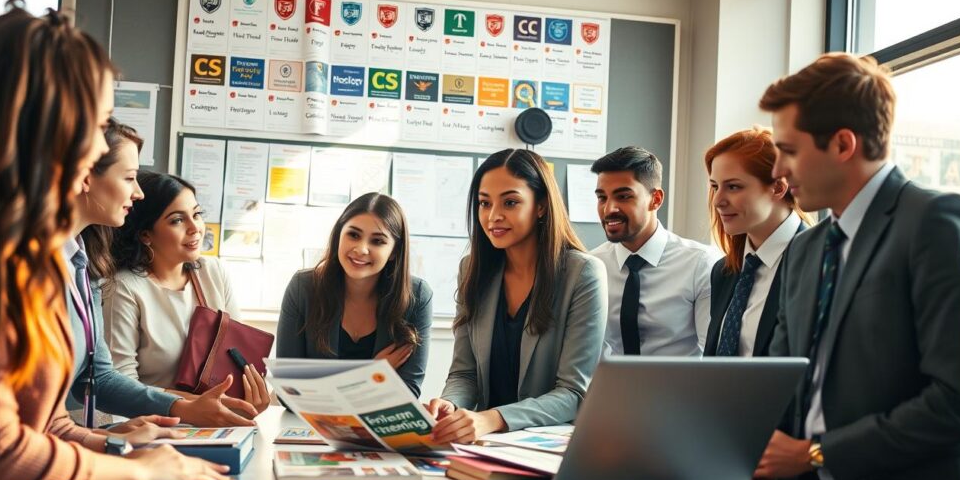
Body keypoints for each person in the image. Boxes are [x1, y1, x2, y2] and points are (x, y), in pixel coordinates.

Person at [0, 1, 228, 480]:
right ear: (47, 130)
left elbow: (44, 423)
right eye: (96, 122)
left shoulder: (30, 257)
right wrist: (138, 471)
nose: (98, 146)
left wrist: (117, 449)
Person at [756, 53, 960, 480]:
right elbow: (781, 378)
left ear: (842, 144)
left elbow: (959, 401)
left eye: (788, 150)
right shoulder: (806, 248)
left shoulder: (938, 222)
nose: (777, 171)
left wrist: (816, 454)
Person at [67, 119, 258, 427]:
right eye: (129, 177)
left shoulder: (84, 268)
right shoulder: (112, 283)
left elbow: (96, 378)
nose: (137, 192)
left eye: (196, 214)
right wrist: (186, 407)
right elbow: (97, 385)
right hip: (147, 426)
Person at [426, 149, 608, 444]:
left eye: (510, 202)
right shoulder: (472, 269)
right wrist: (451, 405)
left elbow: (574, 393)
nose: (493, 216)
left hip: (549, 446)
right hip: (486, 445)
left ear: (540, 206)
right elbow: (465, 374)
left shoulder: (583, 273)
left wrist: (493, 418)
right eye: (484, 203)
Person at [105, 172, 270, 414]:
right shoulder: (124, 288)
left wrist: (251, 395)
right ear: (145, 234)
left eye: (197, 214)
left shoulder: (212, 271)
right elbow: (122, 385)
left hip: (216, 422)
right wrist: (194, 406)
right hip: (154, 425)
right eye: (177, 220)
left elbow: (237, 357)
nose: (195, 228)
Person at [277, 193, 433, 397]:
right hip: (310, 426)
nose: (361, 249)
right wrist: (372, 374)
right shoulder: (303, 288)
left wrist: (326, 387)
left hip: (379, 425)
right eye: (354, 235)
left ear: (394, 252)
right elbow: (288, 391)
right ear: (339, 235)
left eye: (377, 241)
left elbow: (407, 393)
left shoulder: (418, 296)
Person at [590, 147, 719, 356]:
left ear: (656, 199)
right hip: (608, 387)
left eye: (623, 196)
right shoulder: (591, 266)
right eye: (602, 198)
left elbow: (713, 355)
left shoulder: (701, 264)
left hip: (678, 387)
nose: (609, 209)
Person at [704, 127, 811, 357]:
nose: (718, 201)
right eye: (714, 187)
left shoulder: (817, 263)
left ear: (779, 187)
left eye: (733, 186)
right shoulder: (723, 271)